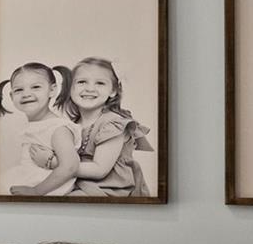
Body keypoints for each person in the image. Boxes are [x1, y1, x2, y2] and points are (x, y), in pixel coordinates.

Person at [11, 57, 153, 198]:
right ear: (70, 88)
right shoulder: (72, 124)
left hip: (109, 188)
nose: (90, 88)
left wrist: (53, 162)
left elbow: (99, 170)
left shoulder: (113, 124)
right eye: (81, 82)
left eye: (100, 83)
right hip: (81, 184)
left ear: (113, 91)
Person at [0, 63, 70, 191]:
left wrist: (36, 191)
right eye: (18, 90)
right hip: (28, 177)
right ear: (11, 96)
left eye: (36, 87)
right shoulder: (34, 126)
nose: (26, 94)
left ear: (52, 90)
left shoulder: (58, 128)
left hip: (46, 187)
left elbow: (70, 167)